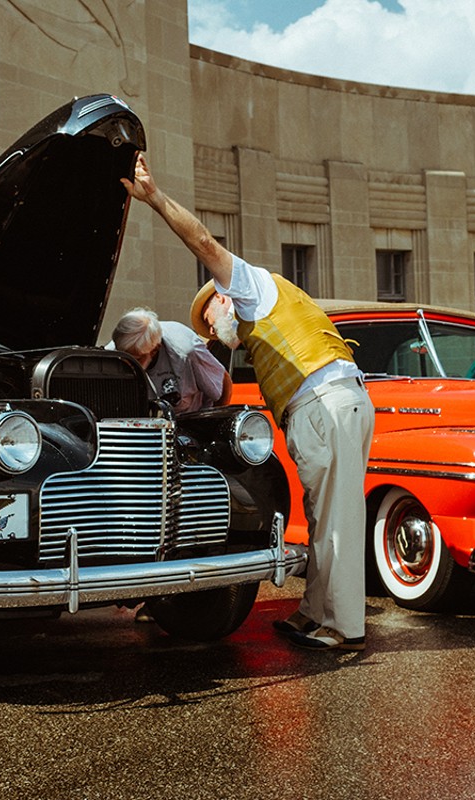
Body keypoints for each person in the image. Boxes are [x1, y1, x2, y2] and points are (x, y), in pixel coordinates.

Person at [121, 153, 376, 651]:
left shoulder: (249, 288)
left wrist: (155, 198)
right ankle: (312, 612)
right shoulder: (265, 315)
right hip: (328, 406)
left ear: (220, 298)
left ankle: (344, 628)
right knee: (324, 514)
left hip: (326, 404)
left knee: (339, 518)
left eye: (209, 320)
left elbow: (202, 241)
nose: (212, 332)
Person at [108, 307, 232, 413]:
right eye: (123, 357)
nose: (127, 364)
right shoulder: (111, 353)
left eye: (136, 359)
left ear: (155, 350)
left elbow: (223, 383)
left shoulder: (186, 351)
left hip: (187, 424)